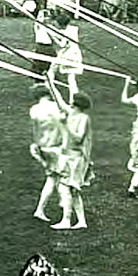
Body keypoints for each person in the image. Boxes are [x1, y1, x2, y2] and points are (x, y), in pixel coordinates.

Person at [50, 89, 93, 230]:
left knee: (65, 188)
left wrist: (65, 124)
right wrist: (50, 83)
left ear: (76, 105)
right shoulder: (70, 113)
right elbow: (58, 99)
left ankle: (66, 221)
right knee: (73, 191)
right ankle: (81, 222)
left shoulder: (83, 119)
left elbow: (78, 138)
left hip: (75, 159)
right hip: (69, 156)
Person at [30, 83, 68, 222]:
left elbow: (36, 129)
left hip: (43, 147)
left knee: (53, 177)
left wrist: (36, 145)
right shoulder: (56, 107)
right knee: (60, 178)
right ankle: (48, 209)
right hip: (57, 147)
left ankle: (46, 207)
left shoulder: (34, 109)